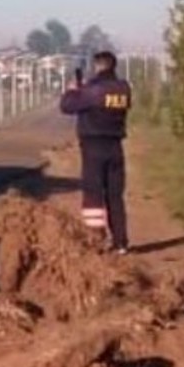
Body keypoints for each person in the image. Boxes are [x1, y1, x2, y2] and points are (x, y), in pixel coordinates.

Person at [59, 51, 132, 253]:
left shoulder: (93, 89)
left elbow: (67, 107)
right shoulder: (124, 88)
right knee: (115, 195)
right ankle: (121, 242)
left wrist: (72, 90)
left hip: (93, 147)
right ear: (113, 66)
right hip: (116, 146)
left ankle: (95, 239)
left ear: (98, 66)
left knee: (93, 195)